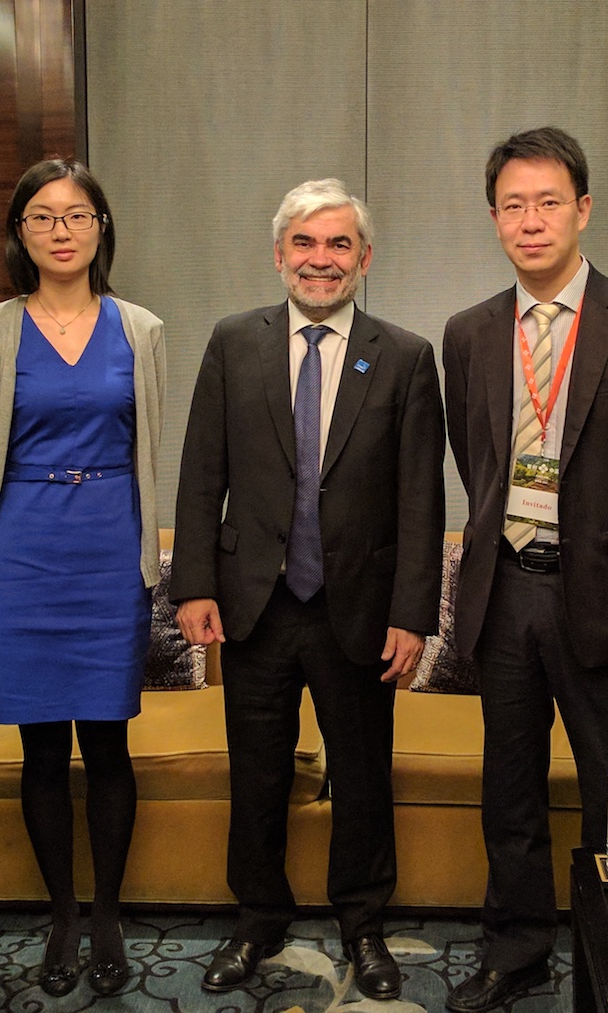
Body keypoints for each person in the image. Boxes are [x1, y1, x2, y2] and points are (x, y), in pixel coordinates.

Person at [440, 127, 608, 1012]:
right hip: (506, 586)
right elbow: (474, 456)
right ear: (493, 218)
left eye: (548, 202)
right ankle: (515, 948)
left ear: (583, 210)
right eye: (513, 205)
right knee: (509, 785)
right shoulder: (470, 332)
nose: (531, 221)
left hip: (602, 589)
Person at [172, 179, 444, 1001]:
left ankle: (363, 923)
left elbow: (421, 499)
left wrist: (412, 614)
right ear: (279, 253)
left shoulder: (404, 356)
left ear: (364, 258)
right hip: (253, 604)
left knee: (362, 775)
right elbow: (201, 471)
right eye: (305, 243)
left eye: (337, 245)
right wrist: (193, 584)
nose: (320, 260)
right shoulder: (233, 341)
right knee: (257, 774)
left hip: (356, 607)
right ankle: (257, 918)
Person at [0, 158, 163, 998]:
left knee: (108, 740)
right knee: (41, 745)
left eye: (78, 215)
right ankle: (63, 914)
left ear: (101, 228)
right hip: (24, 548)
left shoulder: (142, 328)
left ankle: (107, 912)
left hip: (112, 546)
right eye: (42, 216)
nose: (61, 230)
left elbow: (150, 444)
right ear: (20, 233)